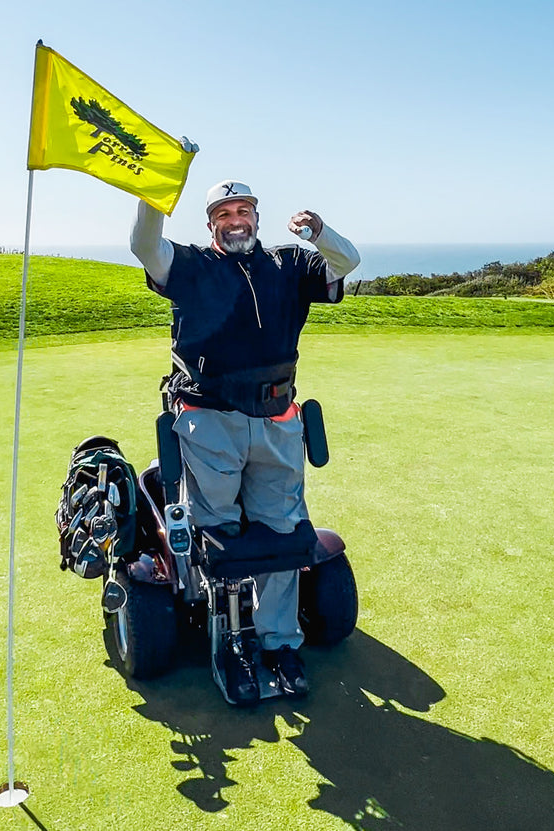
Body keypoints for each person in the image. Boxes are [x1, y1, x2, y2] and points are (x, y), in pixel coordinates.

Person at [130, 178, 360, 701]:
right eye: (225, 213)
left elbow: (346, 262)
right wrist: (153, 194)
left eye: (244, 211)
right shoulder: (190, 267)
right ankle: (230, 643)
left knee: (282, 534)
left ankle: (280, 644)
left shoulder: (290, 265)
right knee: (220, 537)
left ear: (256, 216)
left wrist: (320, 232)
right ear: (211, 223)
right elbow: (145, 246)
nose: (236, 221)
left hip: (278, 418)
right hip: (209, 419)